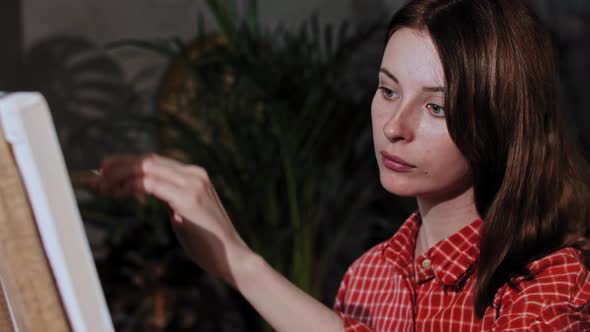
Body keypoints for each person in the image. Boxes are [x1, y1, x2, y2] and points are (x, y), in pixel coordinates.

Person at [92, 0, 590, 330]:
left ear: (501, 120)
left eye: (437, 107)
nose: (395, 125)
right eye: (388, 89)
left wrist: (243, 265)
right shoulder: (368, 276)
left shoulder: (546, 284)